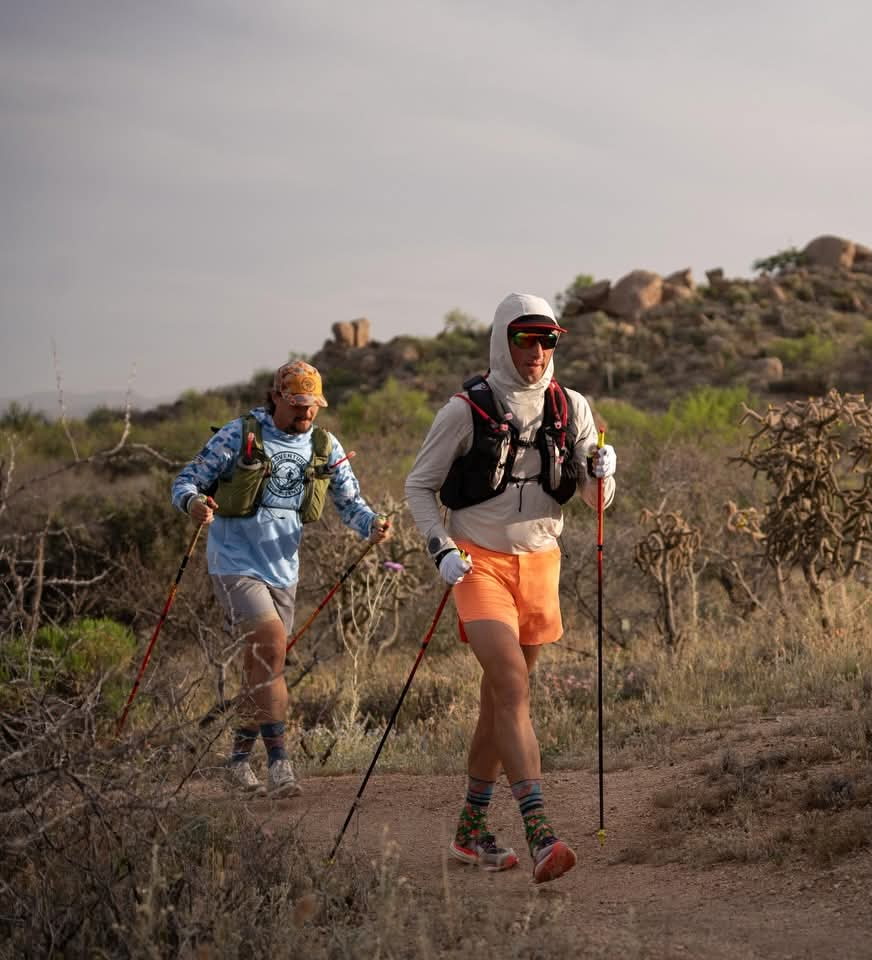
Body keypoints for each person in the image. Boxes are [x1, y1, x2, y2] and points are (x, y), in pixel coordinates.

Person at [405, 293, 616, 884]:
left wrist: (605, 474)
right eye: (526, 339)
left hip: (541, 562)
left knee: (499, 702)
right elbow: (418, 488)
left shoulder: (571, 406)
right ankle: (541, 833)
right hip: (477, 564)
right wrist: (440, 547)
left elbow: (597, 502)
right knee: (512, 685)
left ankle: (470, 831)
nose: (538, 351)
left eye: (548, 340)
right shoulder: (463, 410)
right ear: (503, 339)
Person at [172, 360, 392, 799]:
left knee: (262, 667)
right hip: (234, 561)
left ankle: (236, 763)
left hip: (283, 570)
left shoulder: (325, 445)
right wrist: (194, 503)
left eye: (312, 406)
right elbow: (185, 480)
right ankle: (280, 765)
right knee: (271, 646)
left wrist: (373, 524)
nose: (305, 414)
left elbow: (351, 504)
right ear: (275, 397)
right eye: (296, 405)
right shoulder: (239, 434)